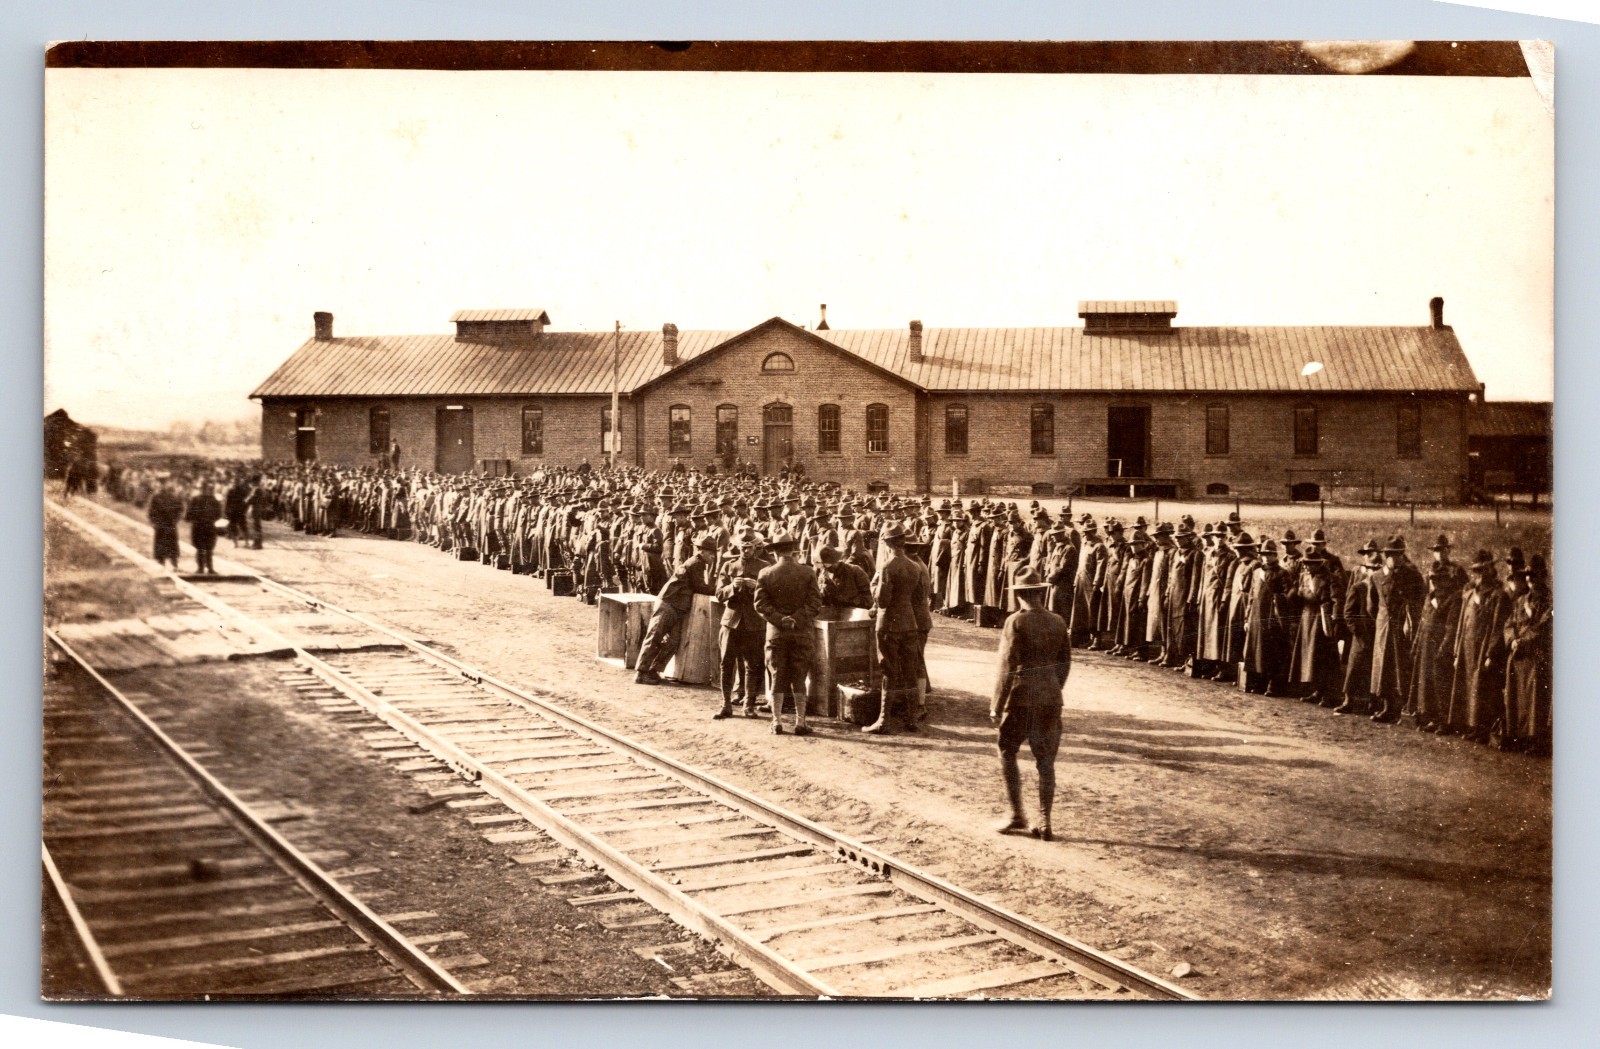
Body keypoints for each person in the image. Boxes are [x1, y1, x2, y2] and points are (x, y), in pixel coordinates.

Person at [990, 567, 1071, 842]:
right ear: (1040, 592)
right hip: (1050, 697)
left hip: (1021, 697)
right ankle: (1045, 820)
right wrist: (1052, 688)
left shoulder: (1015, 622)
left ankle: (1017, 815)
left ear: (1021, 594)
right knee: (1045, 759)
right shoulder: (1058, 621)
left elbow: (1007, 666)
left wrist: (997, 704)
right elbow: (1065, 664)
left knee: (1006, 749)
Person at [865, 523, 931, 735]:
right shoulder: (915, 566)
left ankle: (883, 721)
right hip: (909, 622)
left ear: (887, 543)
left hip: (889, 625)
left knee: (889, 672)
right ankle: (911, 719)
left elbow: (882, 601)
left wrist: (874, 589)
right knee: (910, 670)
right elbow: (919, 598)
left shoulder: (887, 567)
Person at [755, 534, 822, 736]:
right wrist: (796, 618)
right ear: (793, 550)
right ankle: (800, 722)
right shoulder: (808, 572)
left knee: (777, 674)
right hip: (801, 632)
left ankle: (776, 722)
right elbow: (815, 603)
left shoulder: (766, 573)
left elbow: (760, 604)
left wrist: (780, 619)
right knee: (800, 675)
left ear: (774, 552)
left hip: (776, 633)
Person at [634, 535, 717, 685]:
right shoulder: (695, 564)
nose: (713, 556)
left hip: (676, 606)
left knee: (674, 641)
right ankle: (641, 672)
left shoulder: (697, 563)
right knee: (655, 637)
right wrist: (719, 590)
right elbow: (700, 587)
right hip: (669, 604)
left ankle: (653, 670)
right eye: (711, 553)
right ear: (702, 552)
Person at [1406, 535, 1467, 731]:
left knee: (1440, 677)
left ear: (1449, 551)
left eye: (1443, 550)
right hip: (1429, 632)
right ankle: (1428, 714)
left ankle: (1443, 718)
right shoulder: (1430, 572)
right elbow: (1427, 600)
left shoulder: (1457, 572)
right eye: (1437, 550)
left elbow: (1461, 595)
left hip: (1444, 628)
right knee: (1426, 678)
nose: (1440, 553)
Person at [1369, 534, 1426, 723]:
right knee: (1383, 667)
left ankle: (1402, 708)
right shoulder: (1377, 576)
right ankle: (1387, 707)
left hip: (1403, 627)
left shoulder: (1412, 576)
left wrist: (1408, 618)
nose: (1396, 558)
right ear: (1386, 556)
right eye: (1392, 555)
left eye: (1399, 554)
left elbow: (1420, 599)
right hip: (1384, 625)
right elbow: (1372, 605)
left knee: (1400, 667)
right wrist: (1382, 619)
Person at [713, 534, 771, 719]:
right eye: (742, 547)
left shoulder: (764, 567)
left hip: (754, 623)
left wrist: (757, 587)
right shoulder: (728, 566)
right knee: (726, 664)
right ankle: (725, 704)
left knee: (753, 665)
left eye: (749, 547)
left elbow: (771, 596)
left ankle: (749, 705)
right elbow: (719, 594)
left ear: (756, 548)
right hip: (731, 622)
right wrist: (731, 587)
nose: (745, 551)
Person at [1502, 553, 1552, 754]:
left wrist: (1522, 642)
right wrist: (1512, 640)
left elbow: (1543, 627)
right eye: (1528, 575)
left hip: (1535, 656)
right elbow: (1509, 624)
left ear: (1543, 575)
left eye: (1534, 575)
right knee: (1515, 698)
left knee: (1534, 699)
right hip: (1517, 655)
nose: (1530, 579)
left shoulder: (1549, 601)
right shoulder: (1521, 600)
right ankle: (1517, 737)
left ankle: (1535, 741)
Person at [147, 478, 184, 571]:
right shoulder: (156, 497)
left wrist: (176, 519)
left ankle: (174, 562)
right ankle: (162, 562)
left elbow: (180, 509)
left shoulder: (173, 497)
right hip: (161, 524)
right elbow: (152, 511)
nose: (164, 487)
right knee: (162, 544)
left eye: (165, 484)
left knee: (172, 544)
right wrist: (154, 521)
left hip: (169, 523)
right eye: (162, 484)